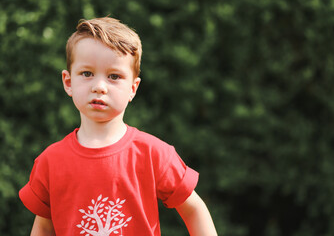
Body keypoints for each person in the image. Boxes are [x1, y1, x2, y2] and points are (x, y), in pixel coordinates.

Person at [19, 17, 217, 236]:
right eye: (87, 74)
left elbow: (194, 210)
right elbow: (44, 227)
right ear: (68, 82)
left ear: (133, 87)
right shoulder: (50, 162)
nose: (99, 87)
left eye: (114, 76)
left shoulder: (154, 154)